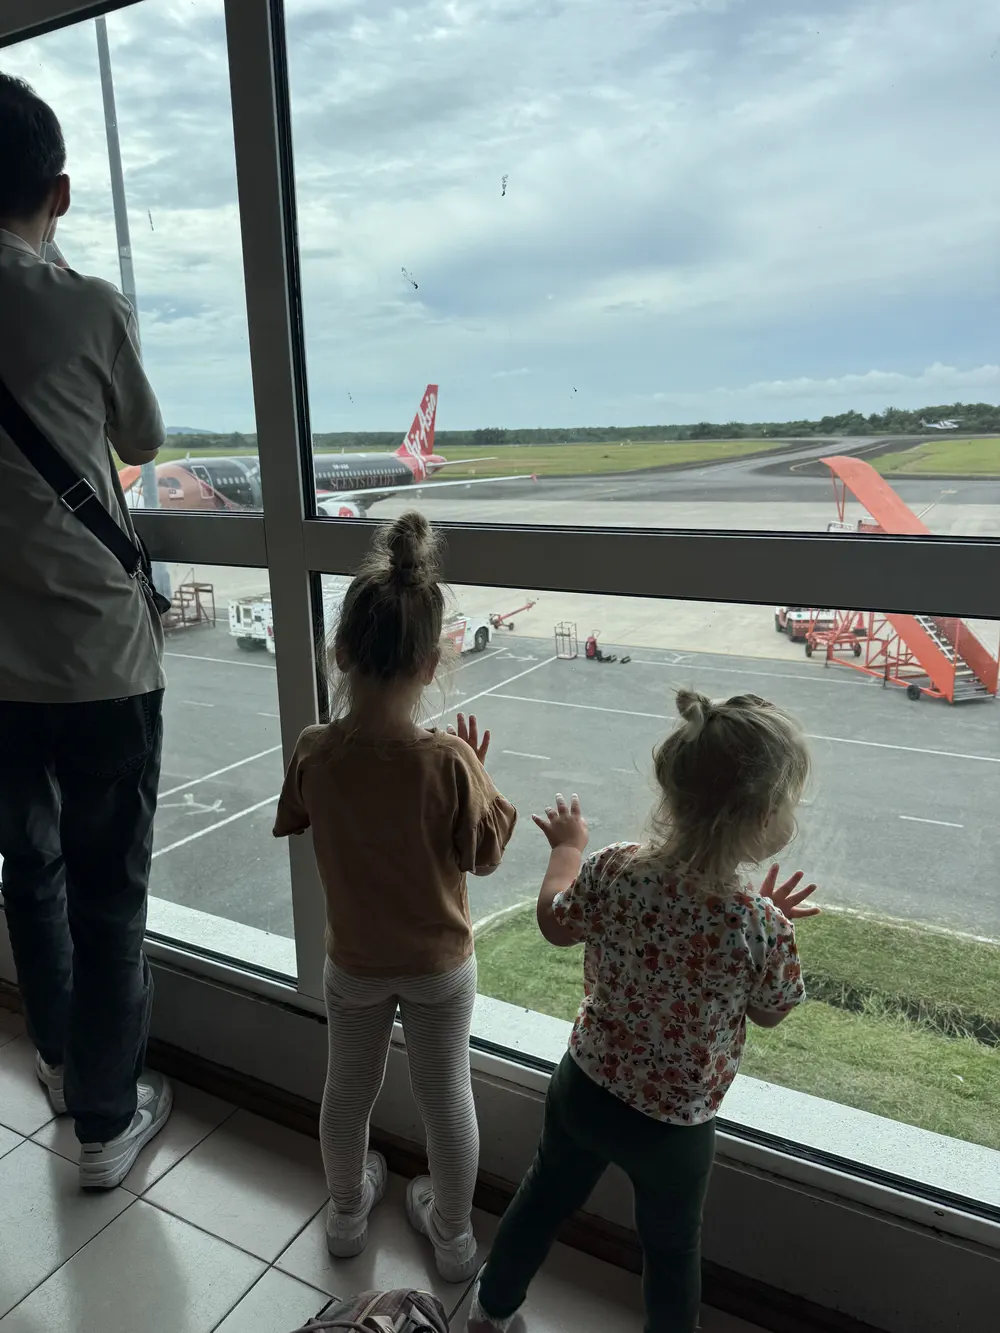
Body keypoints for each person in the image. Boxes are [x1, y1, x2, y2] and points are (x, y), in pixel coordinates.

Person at [469, 689, 819, 1333]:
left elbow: (555, 923)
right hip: (674, 1127)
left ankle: (489, 1311)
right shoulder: (760, 927)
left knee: (543, 1197)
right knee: (671, 1249)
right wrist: (768, 923)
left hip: (586, 1087)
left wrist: (567, 850)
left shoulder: (616, 869)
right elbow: (770, 1014)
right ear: (767, 814)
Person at [0, 74, 172, 1188]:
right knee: (112, 891)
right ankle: (105, 1124)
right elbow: (142, 437)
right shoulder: (87, 301)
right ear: (57, 190)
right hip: (102, 660)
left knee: (32, 869)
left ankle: (61, 1060)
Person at [273, 511, 517, 1282]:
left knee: (349, 1088)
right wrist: (476, 773)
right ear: (432, 662)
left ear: (341, 652)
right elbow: (483, 853)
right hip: (440, 963)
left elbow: (295, 816)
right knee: (447, 1093)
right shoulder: (446, 762)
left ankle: (347, 1212)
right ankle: (452, 1236)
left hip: (356, 961)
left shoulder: (316, 750)